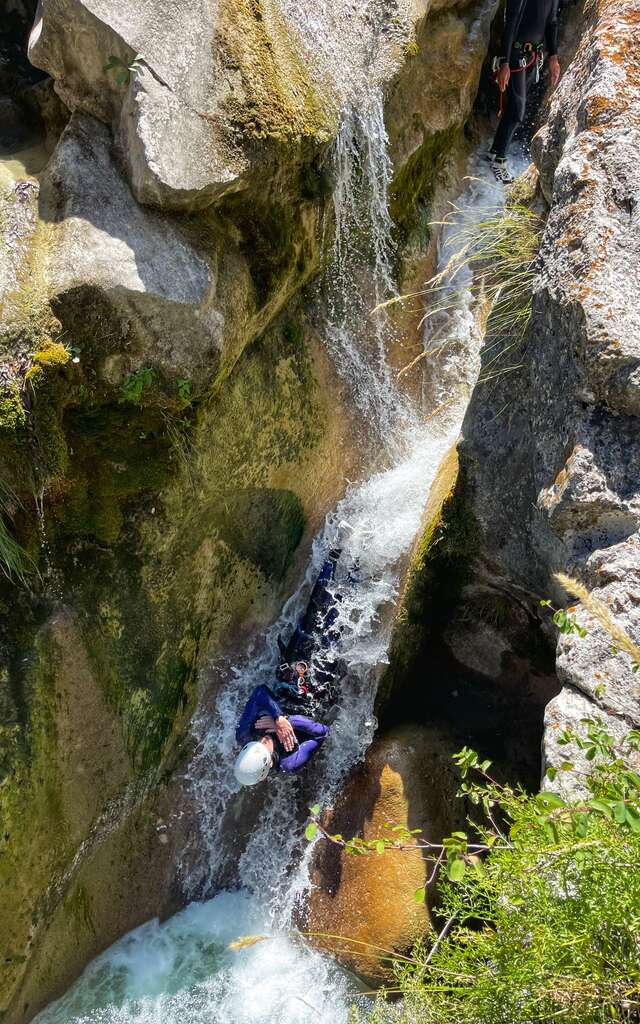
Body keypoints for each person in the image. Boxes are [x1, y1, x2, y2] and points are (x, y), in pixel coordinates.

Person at [489, 0, 561, 183]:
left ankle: (494, 151)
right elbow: (511, 22)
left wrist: (553, 56)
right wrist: (504, 62)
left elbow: (551, 22)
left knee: (515, 106)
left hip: (531, 55)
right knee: (517, 111)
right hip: (515, 55)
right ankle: (499, 161)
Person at [233, 684, 330, 786]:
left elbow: (259, 691)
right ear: (270, 763)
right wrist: (288, 721)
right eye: (263, 747)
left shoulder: (243, 734)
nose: (263, 740)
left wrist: (278, 718)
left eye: (256, 743)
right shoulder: (290, 762)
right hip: (309, 716)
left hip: (285, 701)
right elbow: (324, 732)